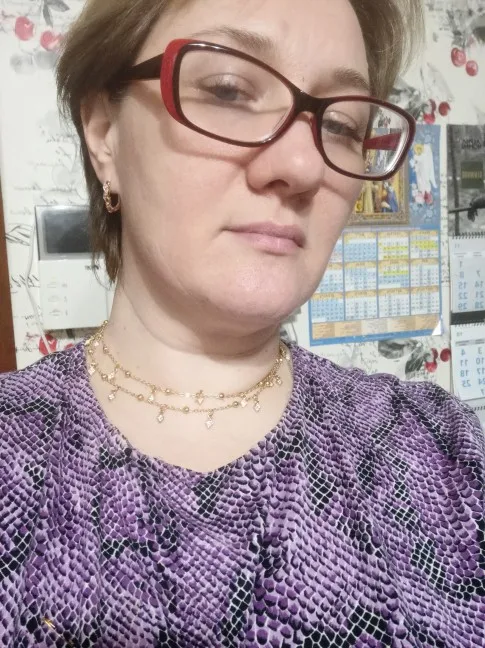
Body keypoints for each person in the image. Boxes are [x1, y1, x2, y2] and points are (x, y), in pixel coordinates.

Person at [1, 0, 483, 646]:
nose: (304, 166)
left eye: (341, 125)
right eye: (228, 90)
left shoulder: (441, 451)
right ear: (104, 132)